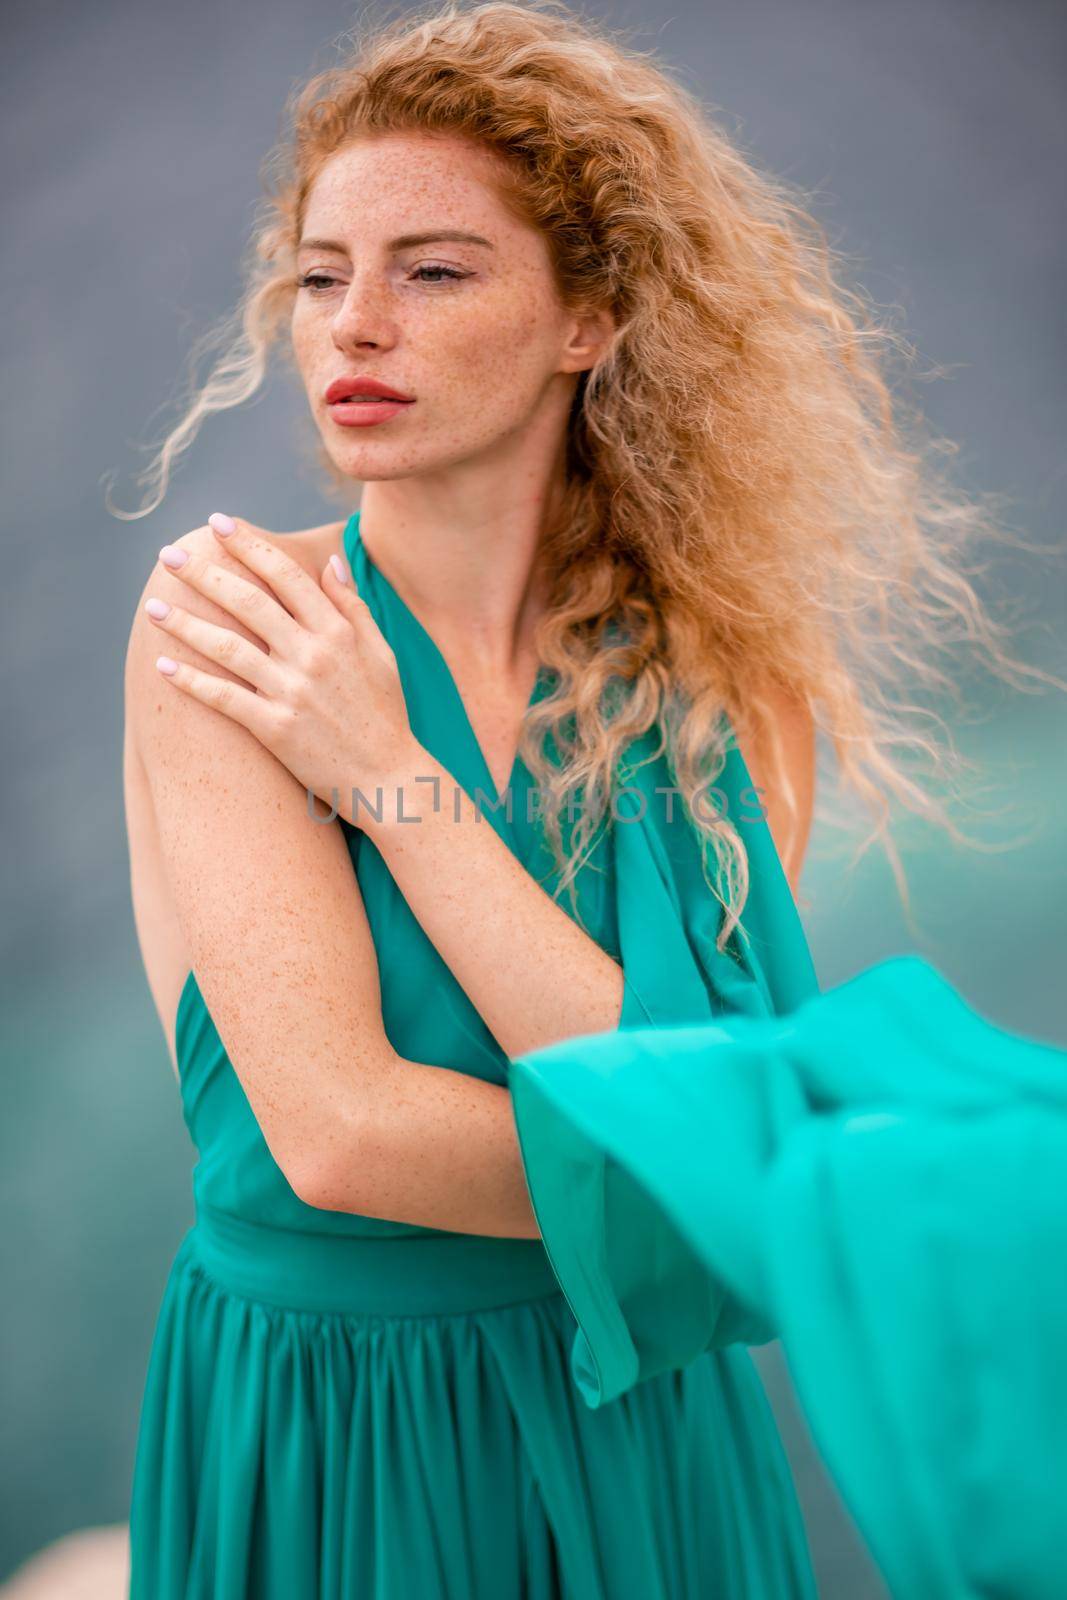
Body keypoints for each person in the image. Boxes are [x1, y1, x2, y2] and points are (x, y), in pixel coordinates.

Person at [120, 2, 1061, 1594]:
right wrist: (706, 1174)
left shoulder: (719, 682)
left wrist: (391, 779)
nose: (354, 326)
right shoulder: (228, 627)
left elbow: (694, 1101)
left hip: (647, 1438)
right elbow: (346, 1140)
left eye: (433, 270)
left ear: (590, 319)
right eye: (322, 273)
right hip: (335, 1434)